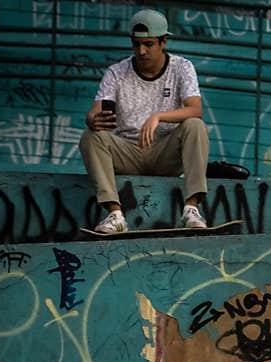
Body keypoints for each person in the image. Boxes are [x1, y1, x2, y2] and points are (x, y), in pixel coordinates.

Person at [79, 8, 209, 233]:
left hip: (165, 152)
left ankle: (191, 209)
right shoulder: (116, 72)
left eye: (148, 44)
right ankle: (115, 214)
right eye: (136, 44)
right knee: (91, 137)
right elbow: (96, 110)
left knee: (195, 125)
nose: (141, 51)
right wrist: (92, 119)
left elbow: (195, 109)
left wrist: (158, 116)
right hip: (127, 152)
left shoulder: (182, 67)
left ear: (163, 42)